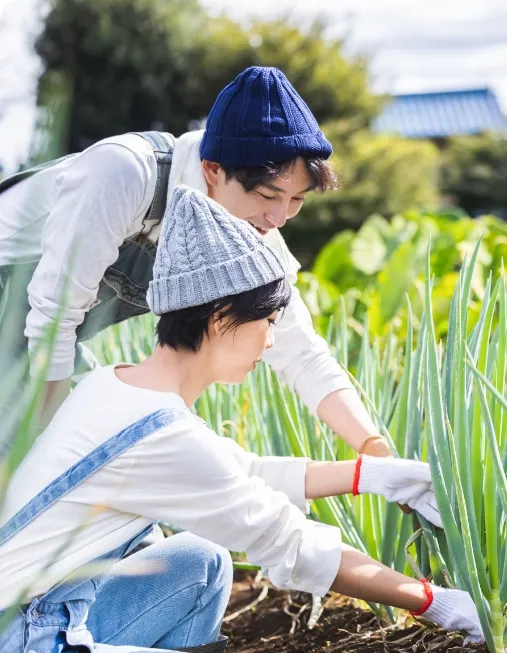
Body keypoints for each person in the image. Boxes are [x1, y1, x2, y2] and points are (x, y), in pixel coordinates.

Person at [0, 185, 483, 653]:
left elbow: (242, 470)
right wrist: (433, 601)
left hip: (36, 625)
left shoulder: (119, 386)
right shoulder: (157, 432)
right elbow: (293, 545)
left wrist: (370, 475)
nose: (272, 341)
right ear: (221, 316)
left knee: (201, 562)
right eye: (267, 322)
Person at [0, 65, 394, 463]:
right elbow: (53, 316)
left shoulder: (251, 234)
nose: (278, 218)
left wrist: (371, 447)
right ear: (212, 169)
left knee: (111, 450)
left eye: (296, 200)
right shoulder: (125, 172)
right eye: (267, 195)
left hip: (33, 337)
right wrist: (50, 455)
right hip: (23, 310)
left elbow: (301, 352)